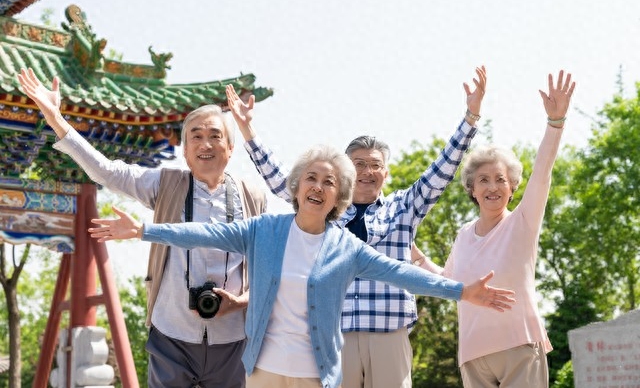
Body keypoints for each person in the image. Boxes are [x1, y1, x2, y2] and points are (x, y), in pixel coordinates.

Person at [88, 144, 516, 388]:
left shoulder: (345, 247)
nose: (318, 186)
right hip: (263, 371)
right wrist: (143, 230)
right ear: (296, 188)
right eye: (312, 178)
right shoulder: (265, 230)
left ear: (338, 198)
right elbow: (202, 233)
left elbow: (401, 272)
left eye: (329, 182)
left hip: (315, 375)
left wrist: (463, 291)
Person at [225, 66, 487, 388]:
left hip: (389, 332)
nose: (367, 171)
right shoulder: (326, 211)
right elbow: (283, 179)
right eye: (358, 164)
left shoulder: (403, 207)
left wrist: (470, 119)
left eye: (375, 165)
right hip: (337, 333)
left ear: (386, 174)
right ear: (346, 172)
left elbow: (441, 171)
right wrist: (248, 132)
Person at [17, 68, 267, 388]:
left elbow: (266, 271)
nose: (206, 143)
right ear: (185, 152)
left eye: (215, 135)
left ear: (231, 149)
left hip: (234, 338)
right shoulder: (166, 184)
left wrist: (242, 301)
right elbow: (107, 172)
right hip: (171, 336)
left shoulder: (253, 196)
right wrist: (57, 119)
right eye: (196, 136)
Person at [413, 70, 575, 387]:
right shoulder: (463, 236)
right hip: (474, 355)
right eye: (483, 180)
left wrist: (555, 124)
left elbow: (542, 172)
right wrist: (417, 256)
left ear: (512, 187)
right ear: (471, 189)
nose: (492, 187)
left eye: (500, 179)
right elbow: (448, 282)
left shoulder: (523, 221)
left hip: (519, 345)